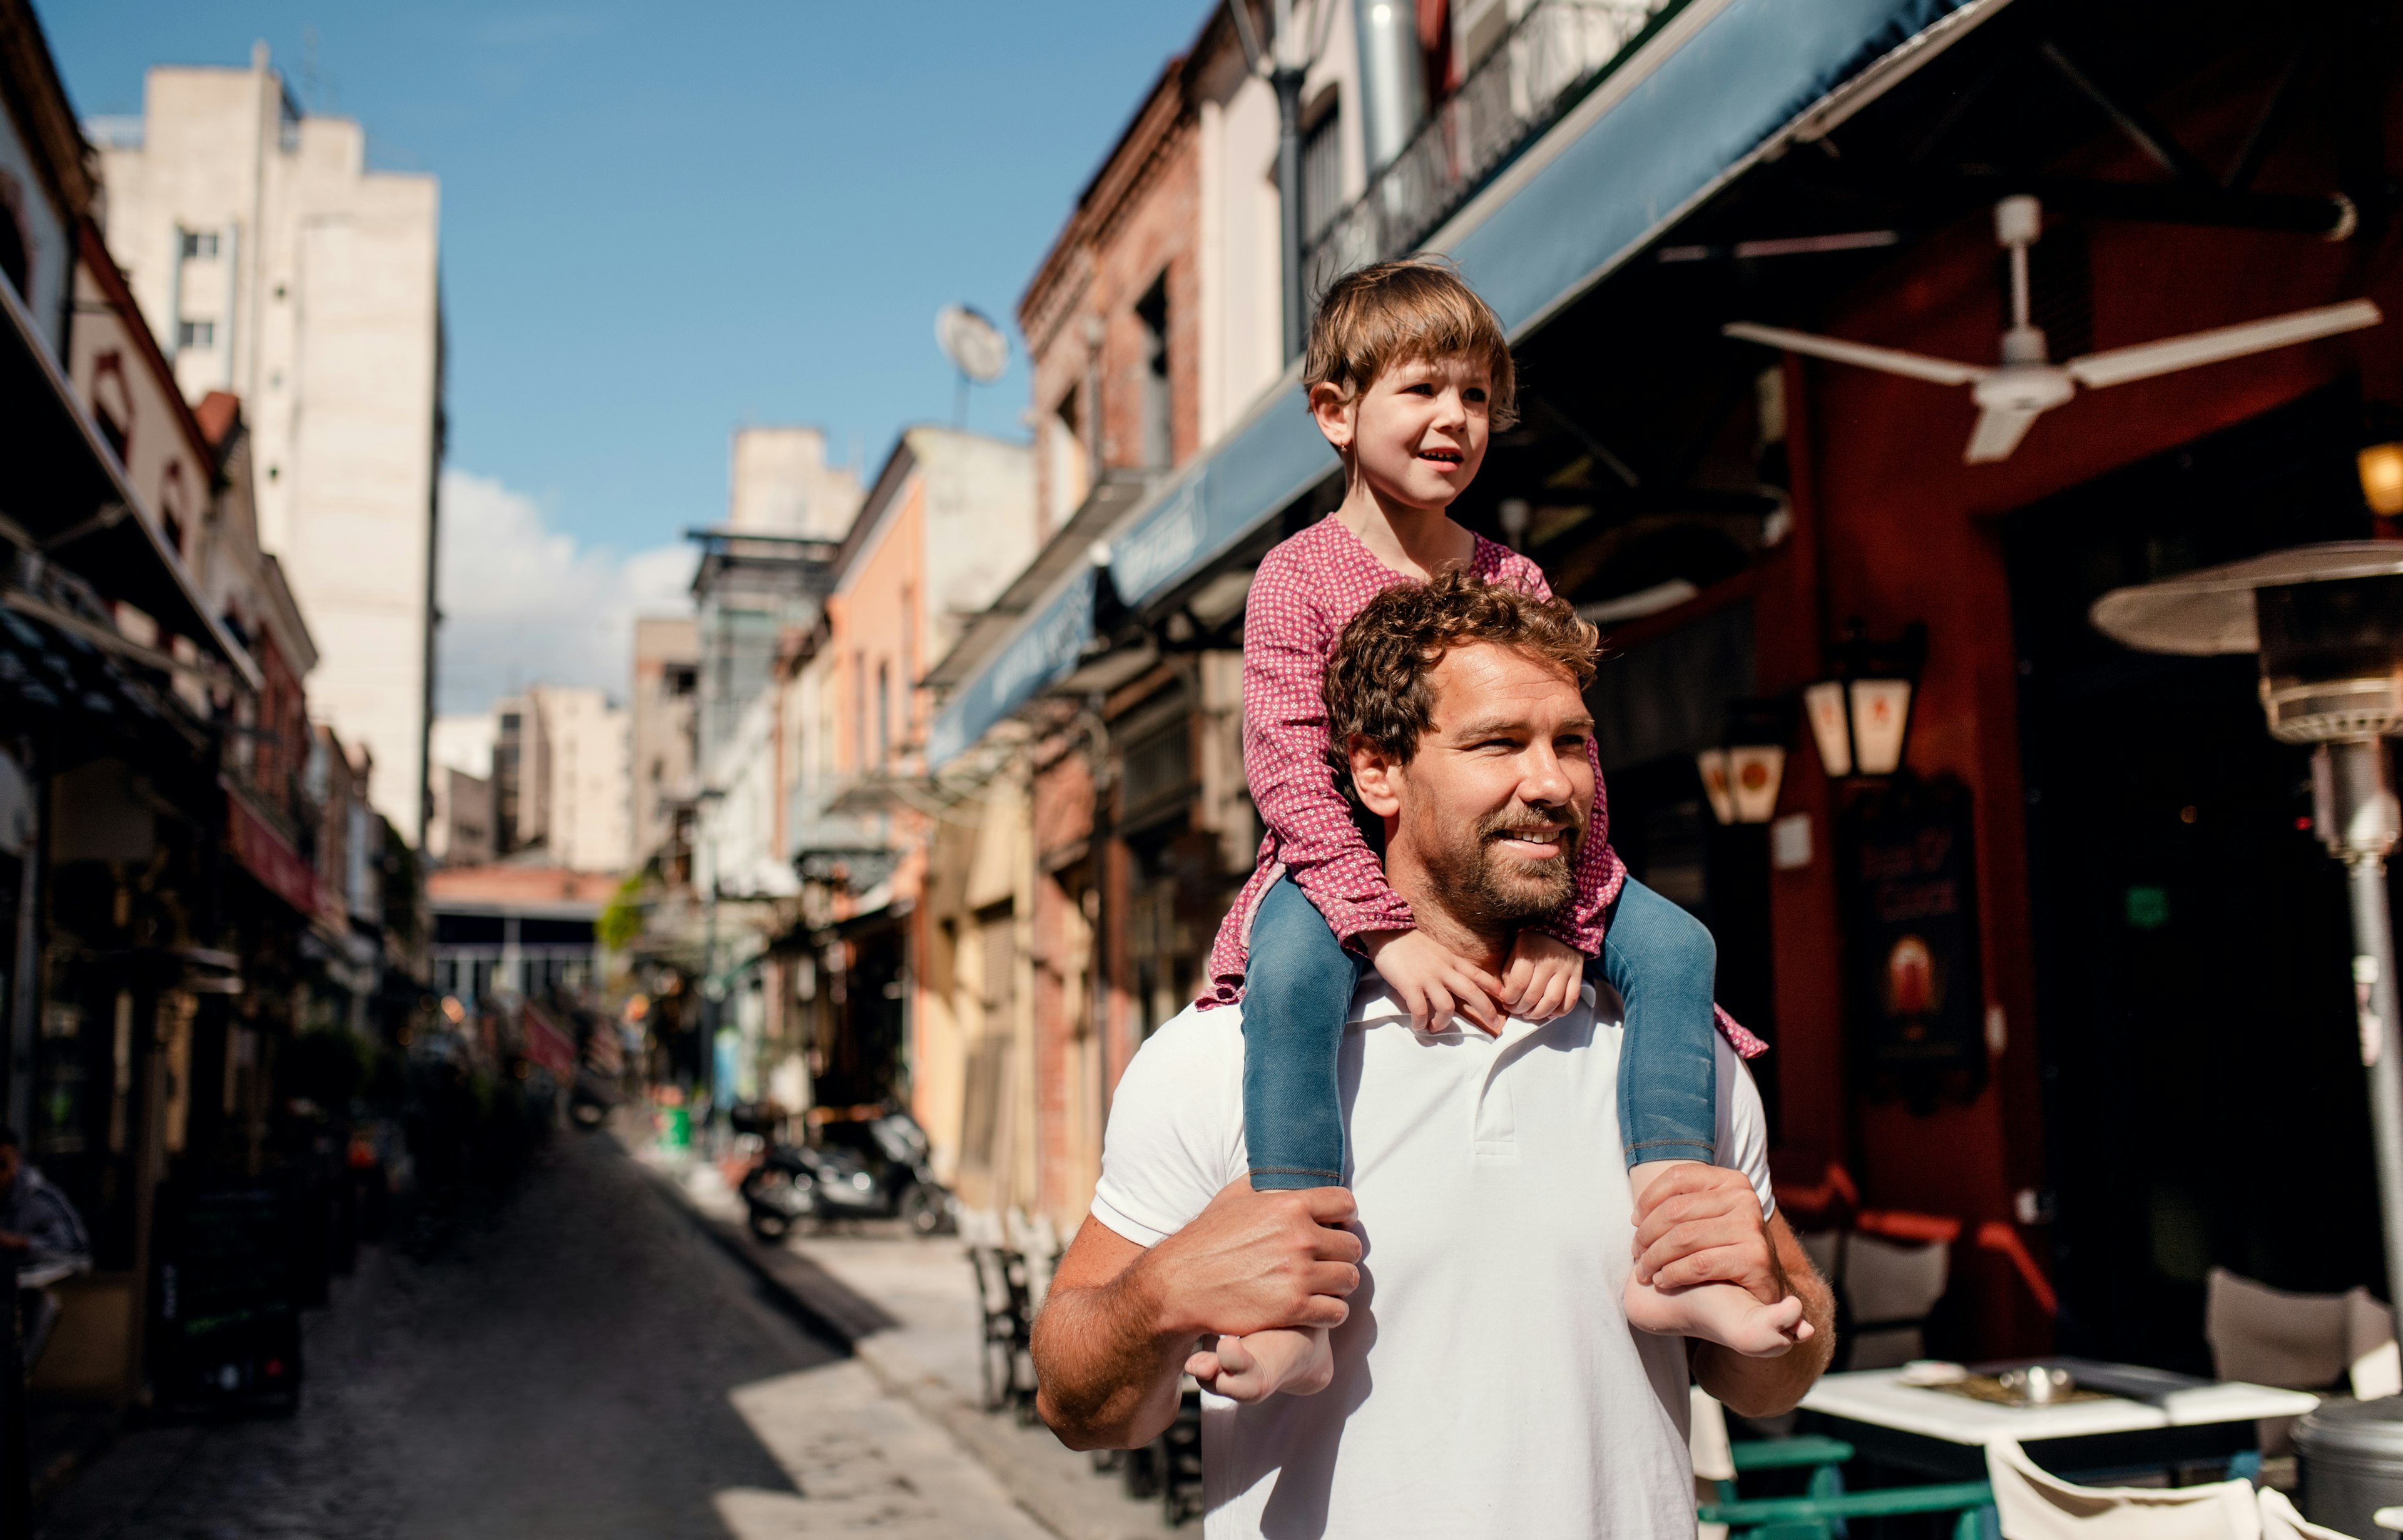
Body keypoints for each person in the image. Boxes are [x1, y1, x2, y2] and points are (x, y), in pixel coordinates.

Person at [1032, 573, 1835, 1536]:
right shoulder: (1216, 1056)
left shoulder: (1670, 1044)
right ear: (1377, 773)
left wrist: (1774, 1287)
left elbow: (1775, 1375)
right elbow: (1077, 1406)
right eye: (1499, 743)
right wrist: (1161, 1293)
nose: (1551, 783)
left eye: (1571, 743)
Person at [1196, 258, 1792, 1400]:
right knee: (1285, 984)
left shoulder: (1515, 570)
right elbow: (1284, 765)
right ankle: (1294, 1303)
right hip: (1335, 867)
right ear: (1335, 410)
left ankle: (1675, 1250)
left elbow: (1569, 750)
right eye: (1423, 390)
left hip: (1528, 869)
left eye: (1475, 396)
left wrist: (1568, 916)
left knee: (1675, 948)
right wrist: (1380, 930)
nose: (1454, 420)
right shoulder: (1297, 575)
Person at [0, 1126, 89, 1370]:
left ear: (14, 1160)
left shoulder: (40, 1199)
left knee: (40, 1305)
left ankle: (16, 1378)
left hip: (28, 1289)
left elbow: (76, 1250)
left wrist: (22, 1243)